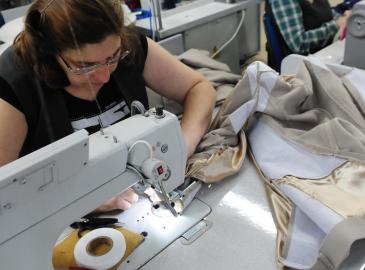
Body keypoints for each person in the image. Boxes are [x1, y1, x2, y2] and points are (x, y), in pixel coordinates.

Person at [0, 0, 216, 212]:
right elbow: (5, 194)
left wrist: (182, 147)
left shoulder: (130, 45)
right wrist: (75, 202)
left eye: (113, 58)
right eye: (85, 66)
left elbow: (200, 88)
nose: (104, 76)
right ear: (50, 53)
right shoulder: (14, 84)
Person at [266, 0, 352, 55]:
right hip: (302, 66)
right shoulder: (284, 1)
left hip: (324, 52)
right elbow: (298, 43)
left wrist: (344, 18)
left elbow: (329, 13)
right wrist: (336, 25)